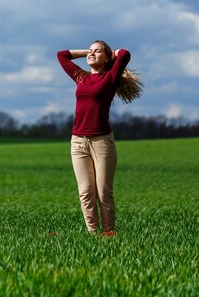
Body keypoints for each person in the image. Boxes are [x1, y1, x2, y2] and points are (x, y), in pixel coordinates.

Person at [57, 40, 142, 236]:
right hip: (78, 142)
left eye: (97, 51)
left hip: (102, 142)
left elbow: (125, 54)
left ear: (106, 57)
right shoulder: (81, 77)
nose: (92, 54)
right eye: (90, 51)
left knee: (103, 192)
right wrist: (87, 51)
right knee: (86, 192)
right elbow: (62, 55)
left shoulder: (109, 78)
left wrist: (113, 53)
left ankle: (109, 233)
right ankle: (92, 234)